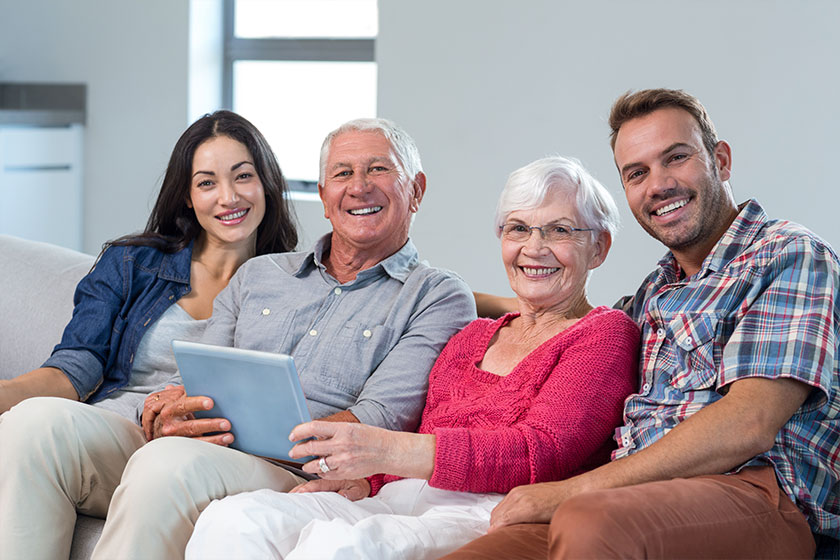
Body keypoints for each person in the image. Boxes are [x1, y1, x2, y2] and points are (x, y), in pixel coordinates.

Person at [444, 88, 840, 559]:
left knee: (587, 521)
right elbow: (567, 317)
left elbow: (749, 423)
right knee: (478, 552)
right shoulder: (657, 289)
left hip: (757, 493)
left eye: (675, 158)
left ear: (721, 160)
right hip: (630, 497)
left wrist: (573, 491)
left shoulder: (788, 253)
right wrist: (440, 296)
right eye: (637, 173)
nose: (658, 184)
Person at [182, 155, 640, 559]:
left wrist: (384, 450)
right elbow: (424, 432)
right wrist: (367, 480)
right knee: (237, 517)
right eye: (518, 229)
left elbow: (540, 451)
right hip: (401, 495)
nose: (534, 248)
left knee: (342, 548)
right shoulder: (474, 335)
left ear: (598, 247)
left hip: (488, 509)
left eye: (559, 230)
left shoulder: (604, 334)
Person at [89, 117, 477, 559]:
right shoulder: (260, 273)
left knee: (165, 465)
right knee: (39, 429)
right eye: (343, 173)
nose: (359, 187)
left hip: (301, 472)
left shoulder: (437, 295)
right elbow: (195, 375)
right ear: (324, 197)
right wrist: (169, 409)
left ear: (417, 191)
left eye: (379, 170)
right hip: (209, 448)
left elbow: (381, 417)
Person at [0, 110, 299, 558]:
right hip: (118, 435)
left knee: (164, 467)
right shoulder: (133, 264)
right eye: (206, 183)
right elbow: (73, 367)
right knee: (32, 422)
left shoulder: (297, 284)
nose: (229, 197)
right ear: (186, 197)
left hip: (207, 454)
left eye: (243, 177)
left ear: (268, 184)